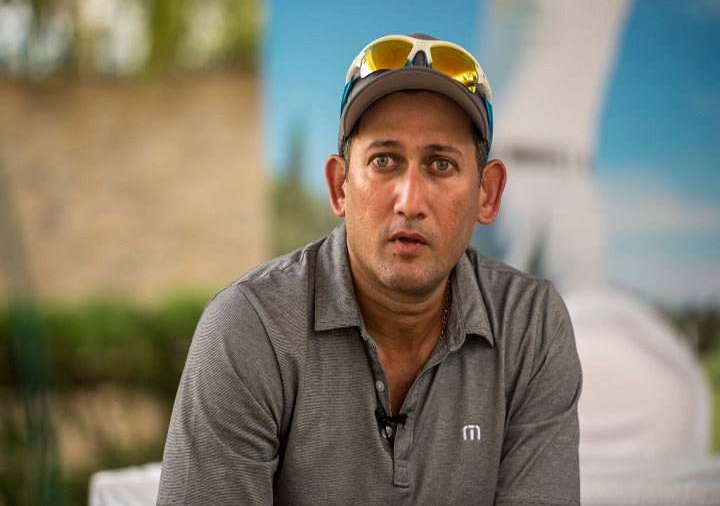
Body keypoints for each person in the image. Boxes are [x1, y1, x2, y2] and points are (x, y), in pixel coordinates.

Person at [157, 33, 582, 505]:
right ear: (339, 186)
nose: (410, 201)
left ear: (488, 194)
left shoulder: (529, 327)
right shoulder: (251, 329)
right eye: (384, 161)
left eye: (441, 164)